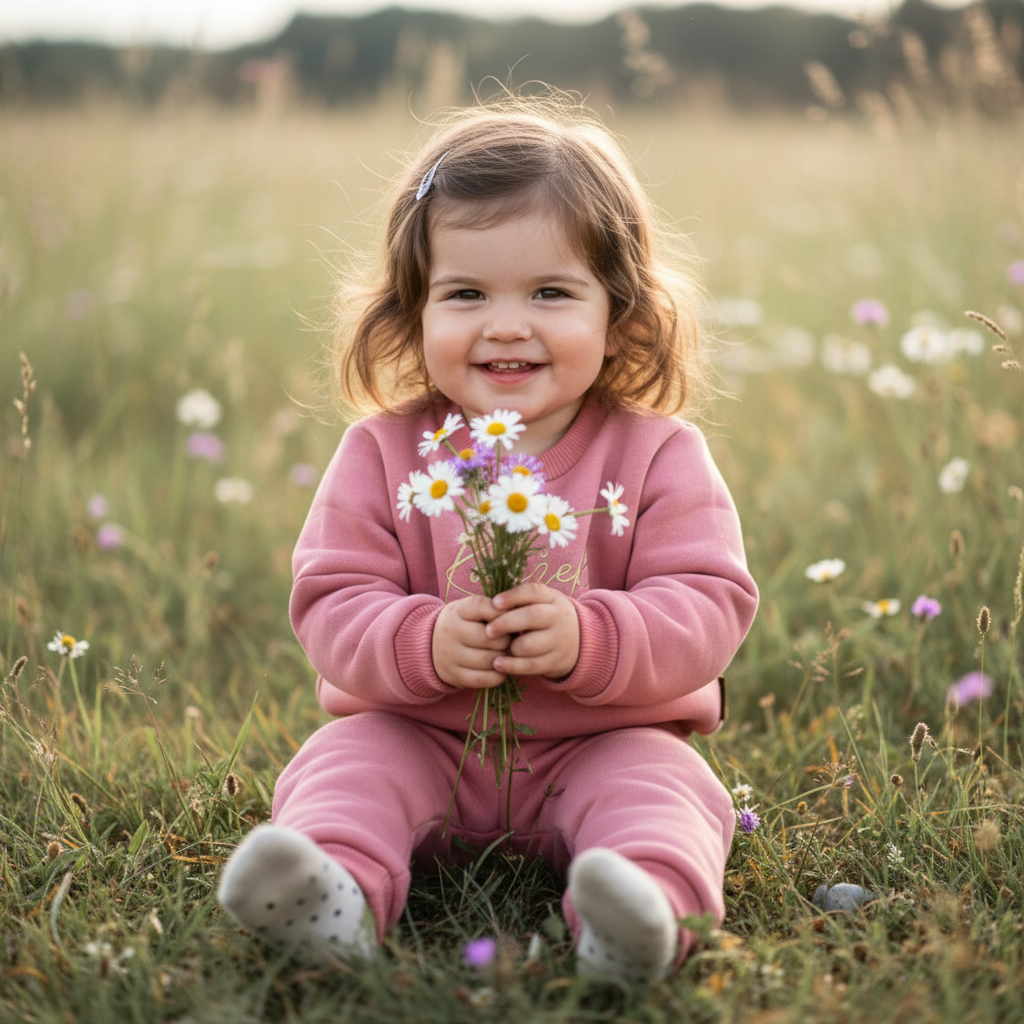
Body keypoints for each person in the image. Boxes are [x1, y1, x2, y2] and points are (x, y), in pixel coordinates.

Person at [218, 93, 758, 984]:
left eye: (551, 292)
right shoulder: (384, 452)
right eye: (466, 293)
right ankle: (331, 895)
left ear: (618, 311)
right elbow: (330, 600)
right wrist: (421, 641)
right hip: (422, 737)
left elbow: (709, 604)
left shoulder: (660, 454)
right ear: (413, 311)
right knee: (342, 766)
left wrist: (592, 636)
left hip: (603, 741)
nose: (506, 324)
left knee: (665, 790)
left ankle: (641, 913)